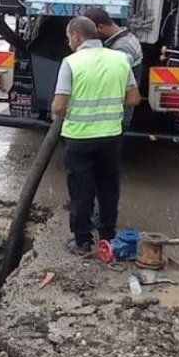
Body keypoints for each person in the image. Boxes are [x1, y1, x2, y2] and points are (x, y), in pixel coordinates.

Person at [52, 16, 141, 256]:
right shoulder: (121, 59)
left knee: (81, 191)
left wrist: (73, 108)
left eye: (69, 36)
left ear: (77, 35)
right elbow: (134, 98)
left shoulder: (71, 63)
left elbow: (59, 107)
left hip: (79, 139)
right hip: (111, 137)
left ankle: (82, 242)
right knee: (108, 188)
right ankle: (108, 238)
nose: (68, 41)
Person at [84, 8, 143, 131]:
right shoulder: (127, 37)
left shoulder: (122, 49)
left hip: (115, 118)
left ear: (99, 27)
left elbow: (112, 81)